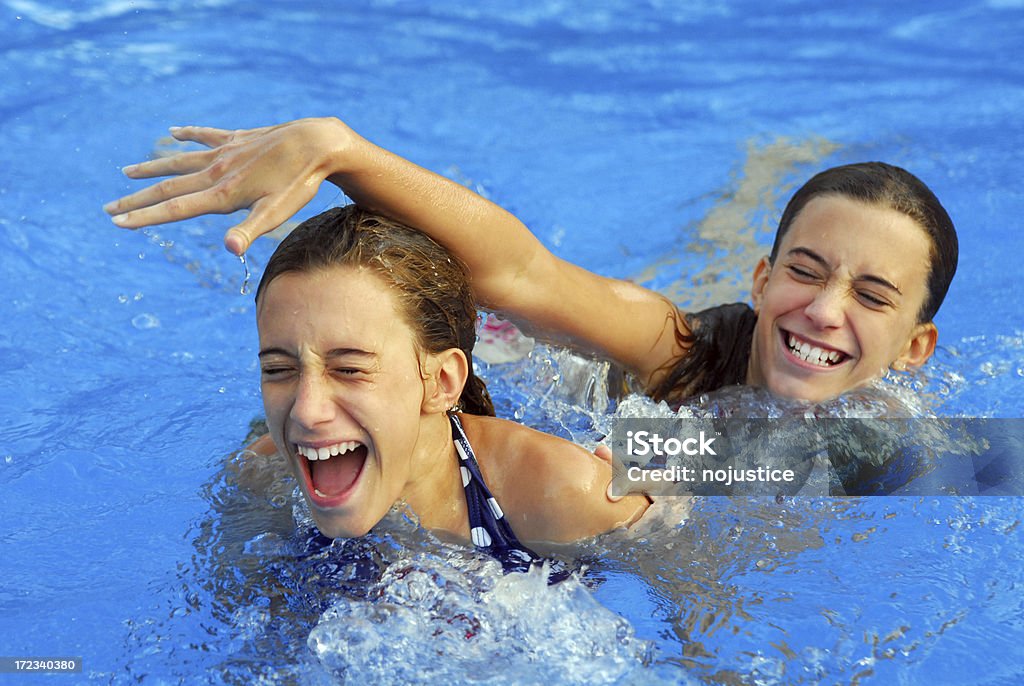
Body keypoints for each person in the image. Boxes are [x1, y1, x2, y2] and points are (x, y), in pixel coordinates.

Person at [104, 117, 958, 406]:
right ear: (763, 280)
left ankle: (768, 167)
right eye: (804, 271)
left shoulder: (915, 440)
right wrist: (344, 153)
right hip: (572, 366)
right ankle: (766, 169)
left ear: (916, 348)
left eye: (873, 295)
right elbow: (521, 272)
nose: (824, 309)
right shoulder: (682, 351)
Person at [240, 203, 648, 558]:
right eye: (279, 370)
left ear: (440, 380)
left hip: (581, 390)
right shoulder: (260, 478)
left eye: (349, 369)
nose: (307, 412)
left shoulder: (561, 492)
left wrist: (671, 494)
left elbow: (708, 446)